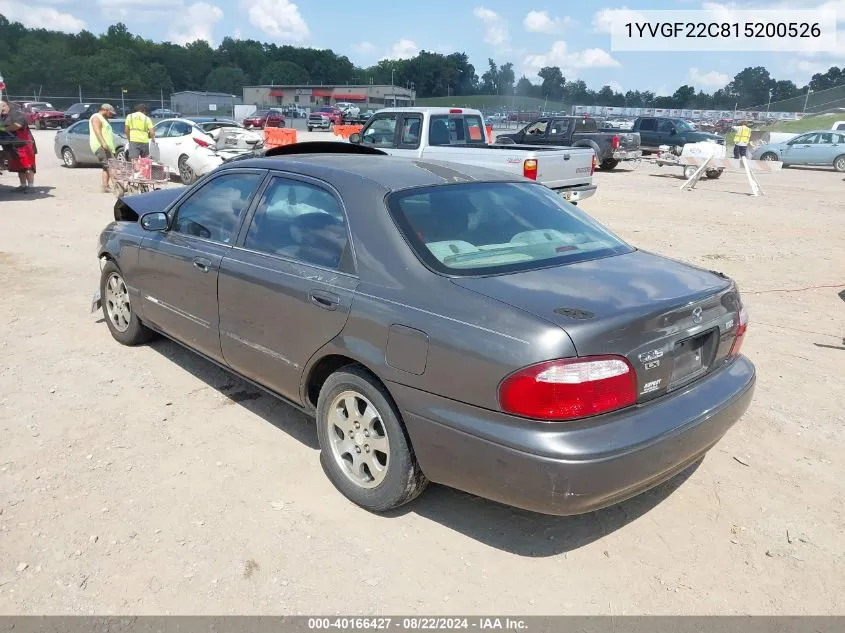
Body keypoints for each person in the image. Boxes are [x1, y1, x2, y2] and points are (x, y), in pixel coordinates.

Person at [0, 100, 37, 193]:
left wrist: (3, 128)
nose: (1, 109)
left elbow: (17, 125)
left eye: (2, 107)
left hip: (24, 145)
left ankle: (31, 187)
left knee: (27, 166)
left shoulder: (15, 114)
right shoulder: (3, 116)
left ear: (7, 105)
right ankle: (23, 185)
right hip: (12, 146)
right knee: (19, 167)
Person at [90, 103, 117, 193]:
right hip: (100, 146)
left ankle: (105, 187)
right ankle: (117, 187)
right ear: (105, 110)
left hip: (107, 146)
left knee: (106, 167)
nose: (112, 114)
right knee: (111, 166)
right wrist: (103, 143)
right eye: (110, 112)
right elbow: (97, 130)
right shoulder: (96, 117)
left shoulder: (105, 119)